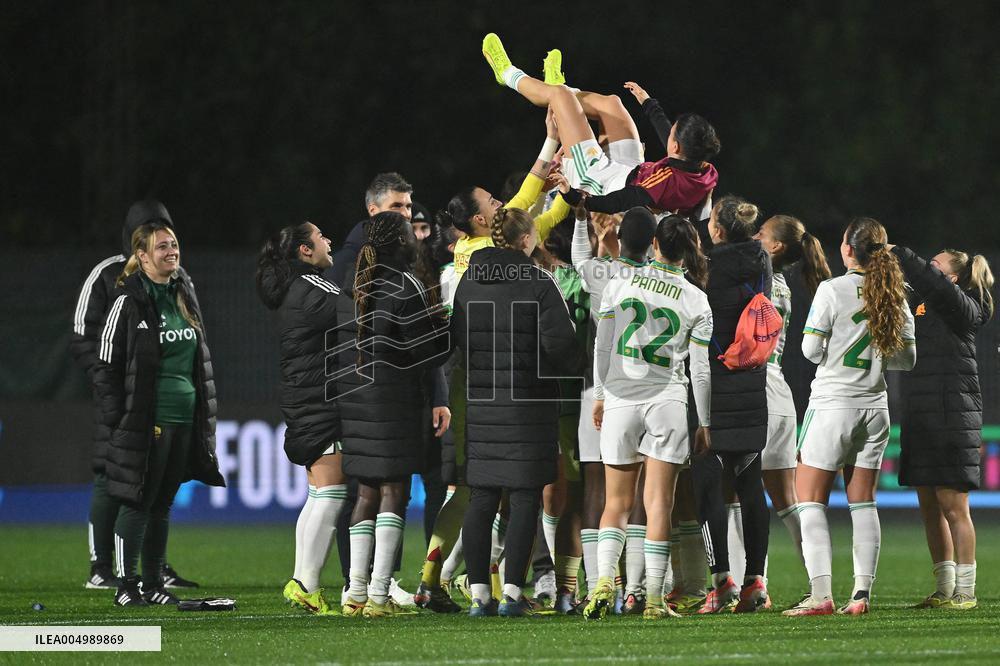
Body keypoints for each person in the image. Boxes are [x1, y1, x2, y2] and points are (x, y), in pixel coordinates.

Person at [452, 207, 581, 617]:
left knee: (482, 497)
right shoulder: (539, 281)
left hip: (482, 400)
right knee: (526, 497)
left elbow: (458, 338)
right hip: (529, 403)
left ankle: (479, 596)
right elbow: (561, 346)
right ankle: (511, 593)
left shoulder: (469, 280)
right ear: (526, 239)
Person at [784, 217, 916, 617]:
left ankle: (821, 595)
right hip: (875, 407)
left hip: (833, 405)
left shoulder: (832, 289)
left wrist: (837, 351)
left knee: (809, 500)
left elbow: (810, 351)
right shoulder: (894, 293)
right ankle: (860, 595)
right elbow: (907, 360)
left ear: (847, 249)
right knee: (863, 503)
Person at [584, 215, 713, 621]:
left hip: (622, 396)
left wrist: (600, 396)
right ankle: (655, 599)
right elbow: (701, 370)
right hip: (667, 400)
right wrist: (704, 421)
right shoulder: (696, 299)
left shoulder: (619, 283)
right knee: (659, 504)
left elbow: (603, 346)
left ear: (655, 243)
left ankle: (604, 580)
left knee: (616, 503)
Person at [70, 200, 202, 591]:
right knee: (112, 475)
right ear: (137, 244)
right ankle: (102, 567)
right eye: (155, 236)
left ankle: (153, 569)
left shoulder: (180, 280)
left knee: (156, 492)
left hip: (166, 403)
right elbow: (84, 336)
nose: (168, 246)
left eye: (169, 236)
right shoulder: (108, 275)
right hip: (125, 397)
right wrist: (111, 389)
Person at [93, 221, 224, 606]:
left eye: (174, 244)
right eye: (162, 246)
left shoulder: (183, 294)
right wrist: (122, 418)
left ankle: (153, 585)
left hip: (184, 418)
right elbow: (105, 365)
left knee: (162, 502)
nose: (172, 251)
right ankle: (126, 586)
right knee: (138, 500)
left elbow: (198, 363)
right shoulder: (128, 301)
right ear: (142, 256)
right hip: (149, 420)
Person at [333, 212, 450, 618]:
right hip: (393, 401)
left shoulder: (352, 284)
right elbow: (425, 352)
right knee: (394, 492)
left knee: (366, 492)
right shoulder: (404, 284)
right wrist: (450, 329)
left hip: (355, 400)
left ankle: (356, 593)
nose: (415, 240)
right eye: (409, 234)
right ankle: (379, 595)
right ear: (400, 243)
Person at [482, 36, 719, 216]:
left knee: (560, 96)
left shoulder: (664, 183)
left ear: (676, 147)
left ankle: (508, 74)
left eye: (672, 134)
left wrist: (576, 198)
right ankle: (559, 91)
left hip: (601, 183)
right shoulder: (704, 170)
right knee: (612, 104)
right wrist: (649, 104)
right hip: (631, 172)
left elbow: (620, 202)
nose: (668, 134)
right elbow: (671, 143)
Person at [889, 245, 994, 610]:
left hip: (953, 416)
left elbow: (933, 284)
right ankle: (944, 587)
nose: (928, 270)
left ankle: (966, 591)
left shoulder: (965, 306)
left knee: (954, 506)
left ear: (952, 277)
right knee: (929, 507)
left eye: (935, 266)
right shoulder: (923, 305)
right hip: (922, 416)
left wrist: (902, 254)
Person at [256, 221, 348, 616]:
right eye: (321, 236)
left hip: (305, 398)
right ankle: (307, 584)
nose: (329, 240)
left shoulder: (294, 289)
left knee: (318, 494)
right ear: (304, 251)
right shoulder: (313, 287)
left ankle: (302, 582)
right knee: (332, 493)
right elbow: (358, 312)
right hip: (321, 400)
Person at [569, 205, 657, 610]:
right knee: (640, 489)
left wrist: (581, 221)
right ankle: (636, 587)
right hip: (651, 391)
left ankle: (596, 584)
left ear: (620, 240)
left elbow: (579, 259)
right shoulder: (666, 280)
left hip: (600, 390)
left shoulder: (600, 273)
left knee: (596, 487)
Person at [694, 195, 773, 614]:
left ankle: (721, 580)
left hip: (715, 379)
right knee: (750, 481)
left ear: (719, 230)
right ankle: (755, 580)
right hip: (753, 378)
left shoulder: (707, 267)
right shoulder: (762, 261)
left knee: (709, 483)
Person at [749, 215, 832, 567]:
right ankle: (819, 580)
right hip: (779, 395)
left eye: (761, 232)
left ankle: (753, 582)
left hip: (753, 393)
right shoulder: (782, 285)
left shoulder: (754, 280)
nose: (754, 235)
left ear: (776, 246)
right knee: (787, 501)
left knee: (738, 497)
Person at [444, 108, 570, 280]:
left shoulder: (464, 245)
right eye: (492, 202)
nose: (500, 203)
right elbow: (530, 200)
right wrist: (553, 140)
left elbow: (531, 203)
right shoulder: (499, 242)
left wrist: (543, 189)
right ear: (480, 219)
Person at [329, 172, 414, 288]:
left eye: (408, 207)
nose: (406, 214)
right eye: (396, 206)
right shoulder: (343, 264)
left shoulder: (412, 258)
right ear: (373, 211)